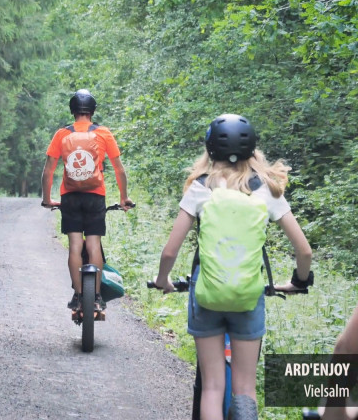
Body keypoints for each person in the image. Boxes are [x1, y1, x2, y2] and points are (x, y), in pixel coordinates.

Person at [152, 114, 313, 419]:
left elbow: (169, 251)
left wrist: (164, 280)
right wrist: (299, 281)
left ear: (209, 150)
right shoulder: (266, 190)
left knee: (212, 387)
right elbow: (304, 251)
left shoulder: (200, 188)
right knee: (245, 388)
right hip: (247, 296)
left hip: (207, 295)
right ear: (253, 150)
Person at [41, 89, 134, 313]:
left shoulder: (62, 134)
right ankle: (97, 296)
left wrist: (47, 199)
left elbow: (48, 171)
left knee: (75, 245)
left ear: (73, 111)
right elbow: (119, 170)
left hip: (69, 196)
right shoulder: (103, 133)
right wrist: (123, 198)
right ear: (92, 111)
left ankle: (78, 294)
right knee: (93, 244)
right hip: (95, 195)